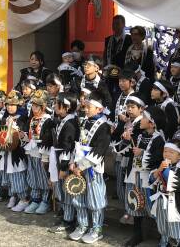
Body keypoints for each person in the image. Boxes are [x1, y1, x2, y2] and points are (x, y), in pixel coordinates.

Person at [69, 89, 111, 244]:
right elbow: (78, 144)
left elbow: (99, 151)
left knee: (95, 200)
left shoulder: (104, 126)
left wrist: (81, 165)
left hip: (92, 168)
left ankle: (97, 229)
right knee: (78, 196)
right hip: (79, 166)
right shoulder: (85, 121)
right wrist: (73, 162)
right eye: (85, 106)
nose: (85, 109)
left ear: (99, 109)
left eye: (89, 107)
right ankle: (82, 225)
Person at [124, 106, 166, 247]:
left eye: (144, 117)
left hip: (149, 179)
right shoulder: (140, 135)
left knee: (152, 208)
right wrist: (126, 140)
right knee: (135, 205)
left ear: (152, 123)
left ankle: (163, 237)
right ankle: (137, 235)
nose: (141, 119)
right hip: (135, 175)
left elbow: (157, 159)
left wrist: (142, 153)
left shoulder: (159, 139)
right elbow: (126, 152)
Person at [150, 139, 180, 247]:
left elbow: (174, 184)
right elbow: (151, 180)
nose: (167, 154)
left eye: (171, 152)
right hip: (162, 201)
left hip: (175, 204)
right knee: (163, 227)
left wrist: (164, 170)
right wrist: (159, 169)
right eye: (165, 151)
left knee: (177, 230)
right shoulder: (164, 165)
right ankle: (164, 243)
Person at [49, 92, 80, 233]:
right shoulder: (64, 119)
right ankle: (66, 216)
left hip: (66, 160)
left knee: (67, 191)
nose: (55, 106)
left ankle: (69, 220)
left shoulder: (71, 123)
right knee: (62, 190)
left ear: (66, 107)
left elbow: (68, 147)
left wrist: (63, 167)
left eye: (58, 104)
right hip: (59, 156)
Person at [115, 92, 145, 225]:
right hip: (130, 159)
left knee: (135, 185)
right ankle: (130, 211)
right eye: (128, 107)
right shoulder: (129, 122)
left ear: (141, 109)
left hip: (139, 160)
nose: (129, 110)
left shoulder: (141, 123)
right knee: (128, 183)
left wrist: (129, 138)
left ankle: (134, 213)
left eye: (133, 107)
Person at [0, 90, 29, 212]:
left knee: (18, 174)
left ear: (18, 105)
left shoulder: (23, 118)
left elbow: (25, 136)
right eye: (8, 105)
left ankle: (24, 198)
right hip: (5, 152)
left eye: (13, 105)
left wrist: (18, 133)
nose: (10, 107)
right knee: (8, 175)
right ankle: (13, 195)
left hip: (17, 153)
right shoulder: (4, 118)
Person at [24, 89, 54, 215]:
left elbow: (48, 139)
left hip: (42, 153)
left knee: (43, 177)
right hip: (31, 151)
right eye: (33, 105)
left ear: (43, 106)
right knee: (33, 175)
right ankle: (35, 199)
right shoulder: (32, 119)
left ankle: (45, 201)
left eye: (36, 105)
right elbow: (29, 135)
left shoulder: (47, 120)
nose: (33, 108)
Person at [111, 68, 135, 204]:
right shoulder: (118, 95)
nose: (121, 83)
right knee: (118, 167)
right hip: (117, 136)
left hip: (128, 138)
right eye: (120, 80)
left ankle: (128, 202)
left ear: (131, 82)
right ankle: (121, 196)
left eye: (124, 81)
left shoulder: (136, 97)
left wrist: (127, 119)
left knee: (125, 169)